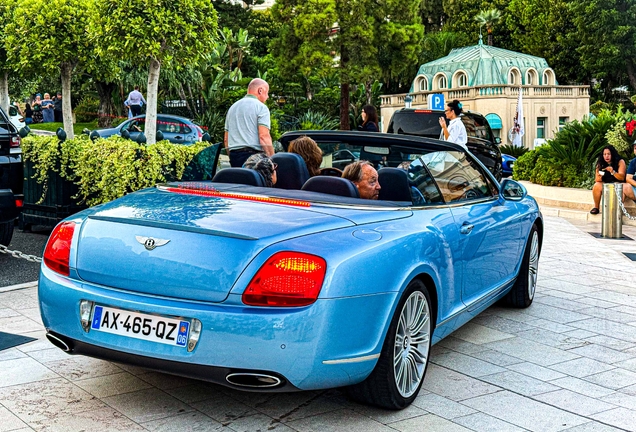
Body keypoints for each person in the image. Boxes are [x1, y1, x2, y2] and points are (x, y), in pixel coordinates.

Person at [224, 78, 274, 167]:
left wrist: (231, 157)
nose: (268, 96)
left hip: (234, 156)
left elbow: (226, 139)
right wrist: (272, 161)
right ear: (260, 91)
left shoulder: (232, 108)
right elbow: (264, 137)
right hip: (253, 158)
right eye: (267, 93)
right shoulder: (261, 107)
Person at [590, 144, 626, 214]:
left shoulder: (620, 161)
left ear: (612, 154)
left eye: (608, 154)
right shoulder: (600, 163)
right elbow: (597, 179)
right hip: (606, 183)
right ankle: (596, 207)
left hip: (617, 182)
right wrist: (600, 175)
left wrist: (612, 172)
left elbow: (621, 177)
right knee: (596, 185)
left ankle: (617, 210)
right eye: (605, 154)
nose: (606, 156)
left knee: (618, 186)